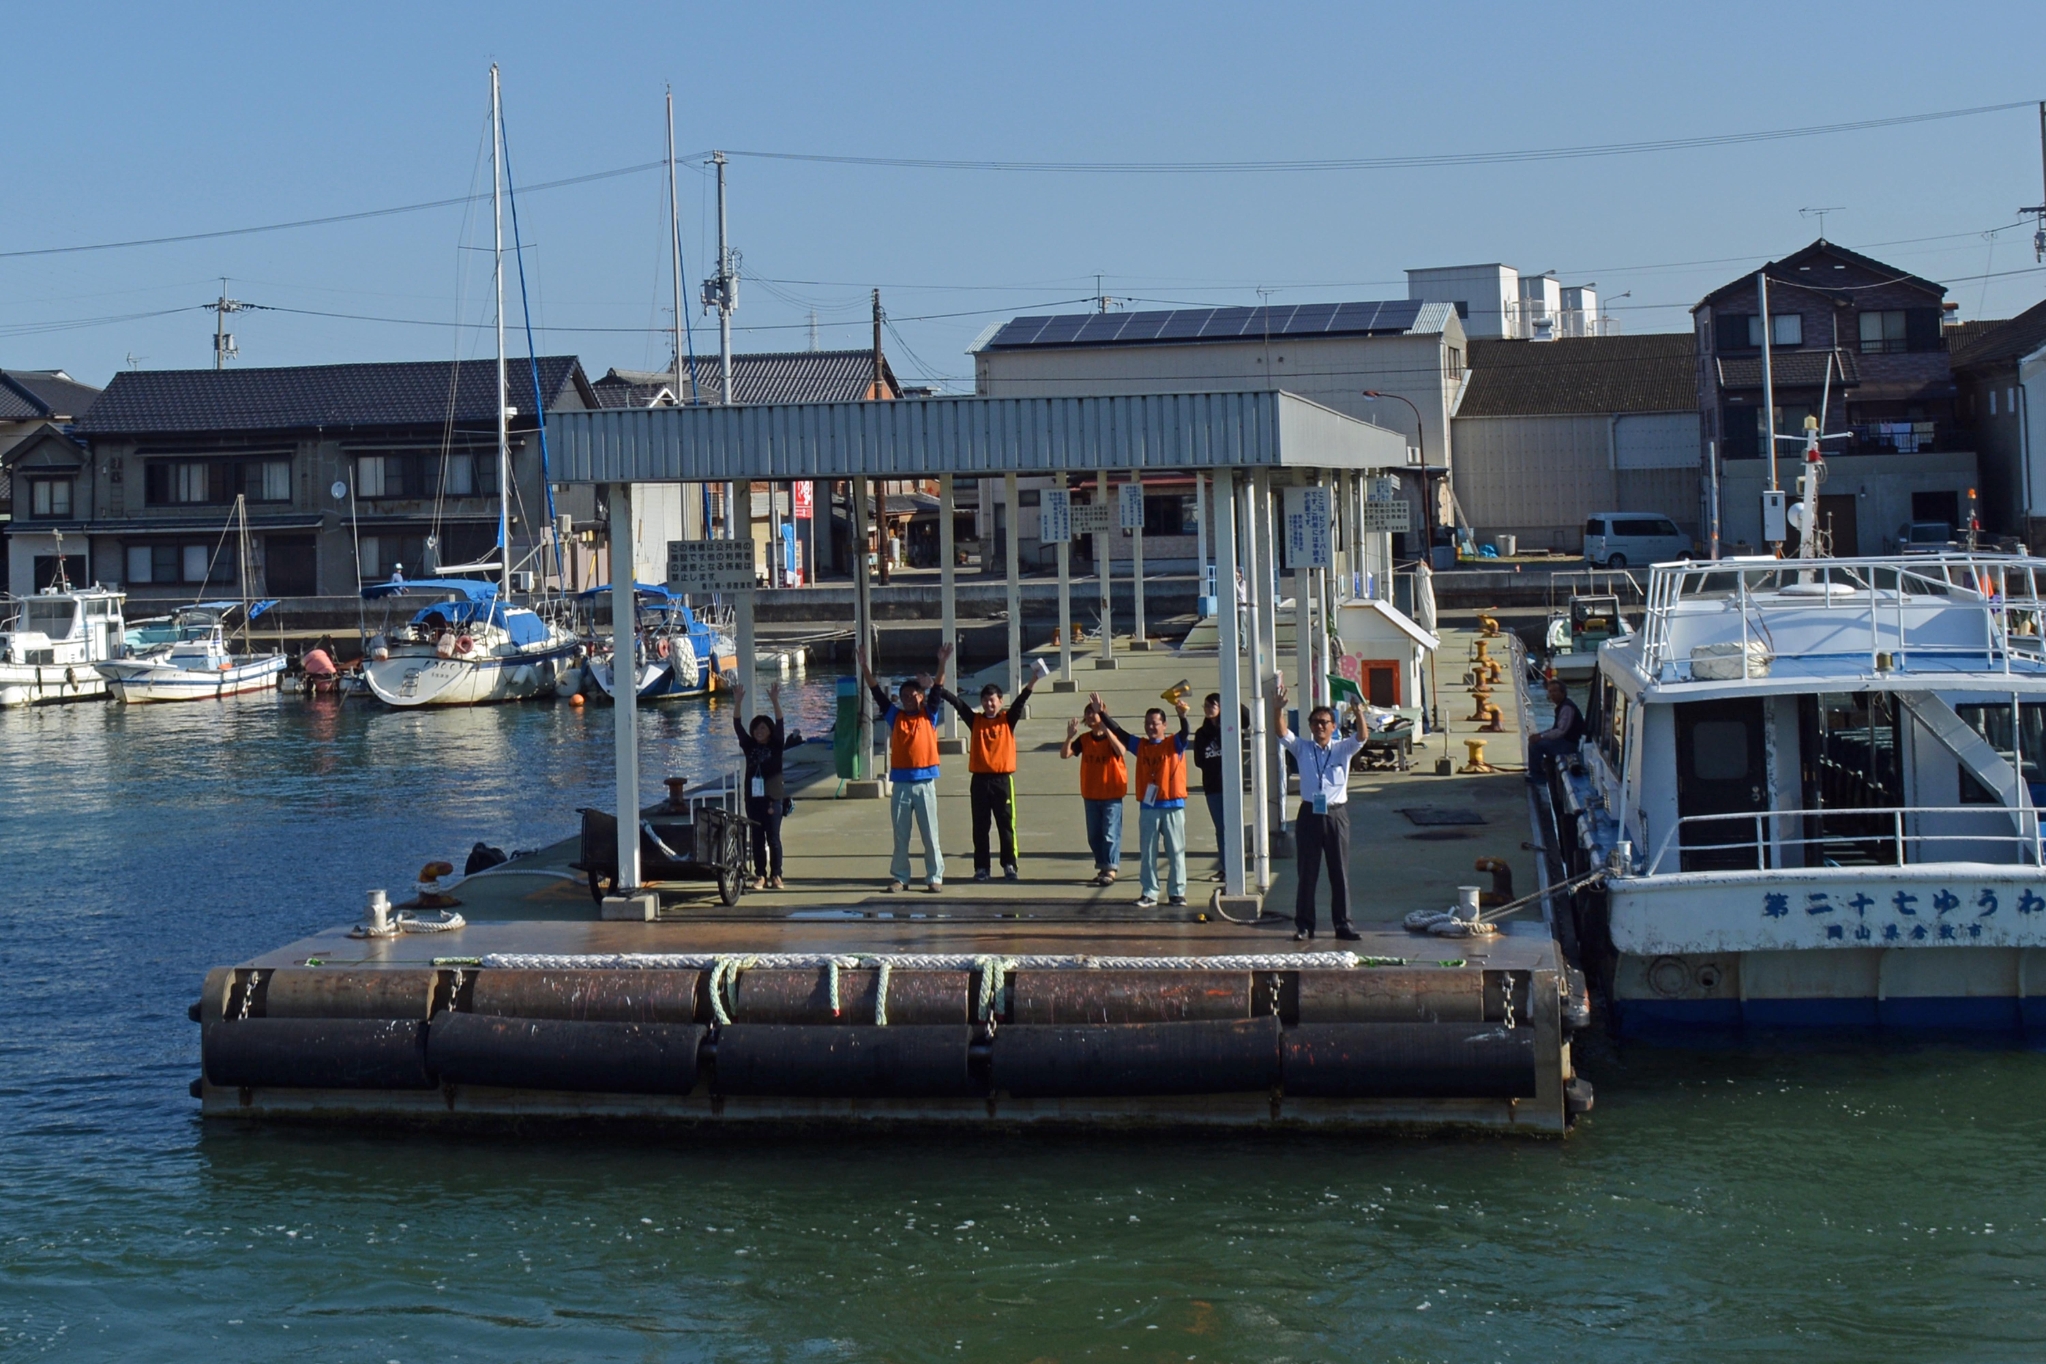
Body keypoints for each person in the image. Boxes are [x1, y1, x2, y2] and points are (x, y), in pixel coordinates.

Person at [1272, 673, 1368, 942]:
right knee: (1307, 872)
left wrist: (1358, 711)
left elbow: (1362, 736)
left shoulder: (1342, 749)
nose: (1320, 727)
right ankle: (1304, 925)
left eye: (1325, 722)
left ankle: (1343, 925)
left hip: (1336, 814)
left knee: (1339, 872)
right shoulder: (1303, 748)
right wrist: (1277, 708)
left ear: (1333, 725)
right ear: (1310, 726)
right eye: (1315, 723)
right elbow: (1281, 733)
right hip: (1309, 814)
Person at [862, 643, 955, 892]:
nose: (908, 700)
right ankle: (900, 877)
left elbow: (938, 688)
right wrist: (864, 668)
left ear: (920, 697)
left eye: (912, 696)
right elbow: (876, 693)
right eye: (903, 697)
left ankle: (934, 877)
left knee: (930, 834)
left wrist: (942, 663)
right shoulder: (895, 716)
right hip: (901, 784)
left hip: (925, 783)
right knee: (901, 835)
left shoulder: (930, 714)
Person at [935, 663, 1040, 882]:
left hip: (1002, 780)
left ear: (1000, 701)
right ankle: (982, 867)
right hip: (980, 781)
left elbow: (1021, 701)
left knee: (1006, 825)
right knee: (980, 826)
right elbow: (959, 704)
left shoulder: (1007, 720)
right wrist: (939, 689)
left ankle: (1009, 864)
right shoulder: (976, 721)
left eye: (992, 700)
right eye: (985, 700)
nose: (988, 704)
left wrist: (1032, 681)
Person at [731, 680, 799, 889]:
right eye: (756, 729)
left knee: (774, 838)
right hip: (753, 799)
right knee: (757, 838)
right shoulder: (749, 746)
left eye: (763, 728)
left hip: (773, 797)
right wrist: (737, 703)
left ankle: (776, 875)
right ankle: (760, 875)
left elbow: (780, 722)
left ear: (769, 730)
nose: (759, 731)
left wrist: (775, 701)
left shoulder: (776, 744)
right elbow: (737, 726)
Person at [1128, 698, 1192, 908]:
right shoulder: (1141, 746)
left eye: (1155, 723)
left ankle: (1177, 892)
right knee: (1147, 852)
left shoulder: (1173, 743)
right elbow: (1120, 733)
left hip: (1172, 805)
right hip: (1149, 807)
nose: (1150, 727)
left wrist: (1183, 717)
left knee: (1176, 851)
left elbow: (1185, 734)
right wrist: (1102, 715)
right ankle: (1149, 892)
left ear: (1164, 725)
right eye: (1147, 723)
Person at [1061, 694, 1129, 885]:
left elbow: (1121, 751)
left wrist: (1107, 730)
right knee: (1094, 835)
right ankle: (1102, 866)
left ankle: (1111, 868)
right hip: (1091, 794)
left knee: (1110, 833)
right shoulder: (1084, 740)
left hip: (1111, 793)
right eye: (1087, 713)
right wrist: (1069, 737)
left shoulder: (1112, 737)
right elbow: (1065, 754)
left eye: (1094, 713)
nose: (1090, 716)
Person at [1191, 692, 1251, 881]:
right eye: (1206, 706)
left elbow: (1247, 719)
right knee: (1220, 828)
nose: (1208, 709)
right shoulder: (1201, 733)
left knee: (1233, 826)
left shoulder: (1230, 727)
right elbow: (1199, 760)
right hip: (1212, 785)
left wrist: (1232, 698)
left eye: (1212, 706)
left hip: (1231, 784)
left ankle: (1236, 865)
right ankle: (1225, 867)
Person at [1527, 679, 1586, 783]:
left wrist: (1540, 737)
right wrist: (1539, 734)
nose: (1552, 694)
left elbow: (1560, 731)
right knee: (1536, 741)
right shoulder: (1562, 706)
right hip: (1564, 741)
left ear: (1563, 692)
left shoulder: (1567, 708)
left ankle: (1537, 777)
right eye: (1550, 692)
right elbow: (1555, 729)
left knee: (1535, 746)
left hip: (1568, 744)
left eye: (1555, 691)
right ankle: (1542, 770)